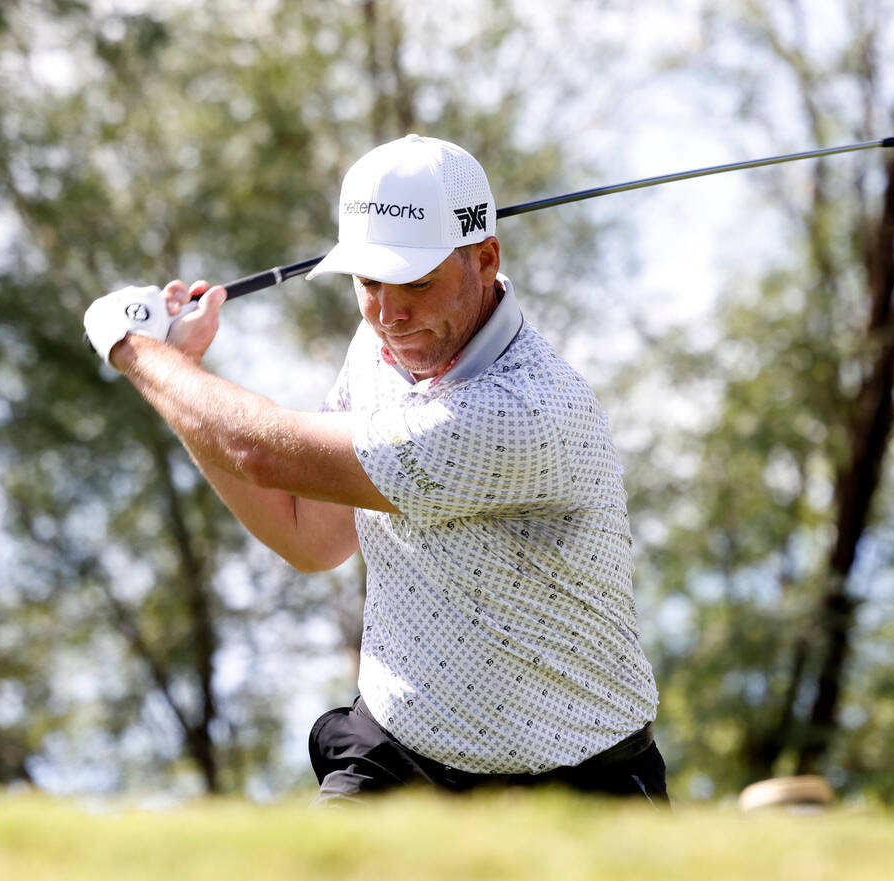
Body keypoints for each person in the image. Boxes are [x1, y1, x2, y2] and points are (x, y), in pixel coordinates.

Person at [83, 134, 665, 805]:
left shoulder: (519, 410)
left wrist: (141, 354)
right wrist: (179, 376)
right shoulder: (384, 343)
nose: (390, 315)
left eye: (417, 282)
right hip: (397, 747)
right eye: (368, 282)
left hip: (578, 774)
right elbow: (308, 534)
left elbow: (263, 452)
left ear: (485, 257)